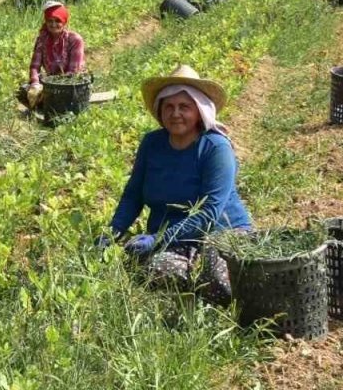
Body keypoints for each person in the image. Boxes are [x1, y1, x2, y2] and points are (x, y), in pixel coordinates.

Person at [98, 65, 253, 301]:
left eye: (184, 107)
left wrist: (157, 238)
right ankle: (194, 285)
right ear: (160, 112)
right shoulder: (152, 144)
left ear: (199, 111)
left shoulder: (215, 148)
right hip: (173, 237)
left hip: (221, 232)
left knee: (219, 281)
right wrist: (112, 233)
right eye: (168, 107)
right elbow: (134, 194)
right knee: (155, 271)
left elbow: (209, 211)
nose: (175, 113)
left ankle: (214, 289)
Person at [17, 1, 86, 110]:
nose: (53, 25)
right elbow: (35, 66)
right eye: (50, 21)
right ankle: (46, 104)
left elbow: (73, 72)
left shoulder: (74, 40)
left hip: (71, 84)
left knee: (57, 98)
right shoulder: (42, 39)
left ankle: (50, 105)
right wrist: (35, 84)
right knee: (23, 91)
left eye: (58, 21)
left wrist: (51, 88)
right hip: (51, 83)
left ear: (64, 22)